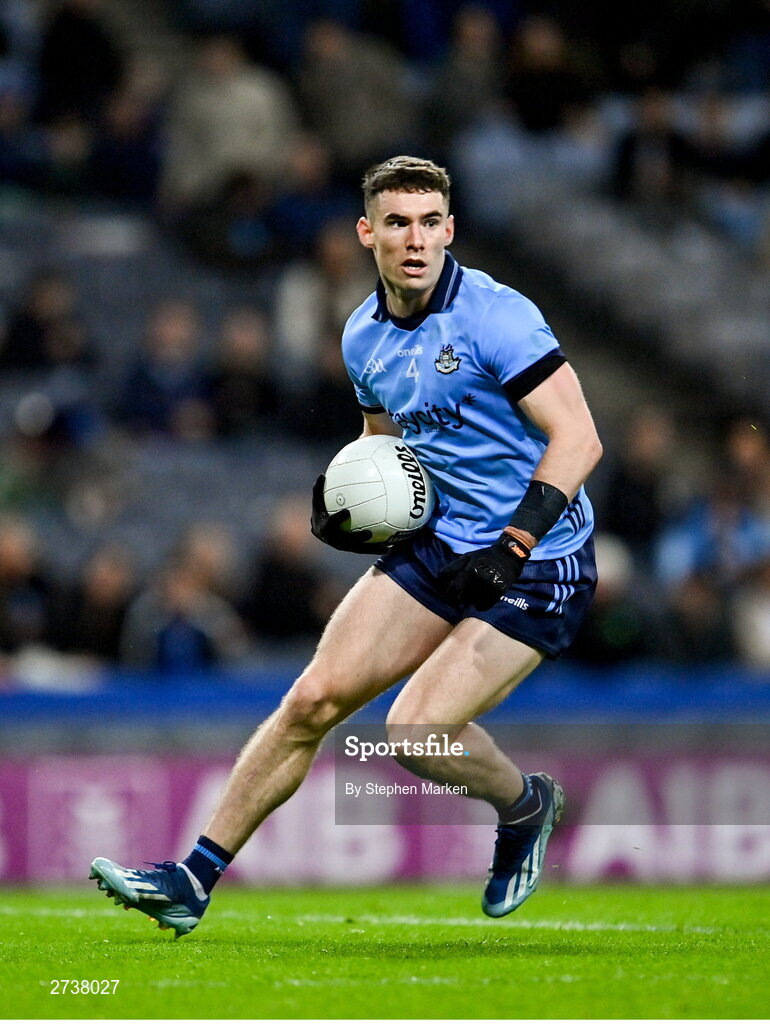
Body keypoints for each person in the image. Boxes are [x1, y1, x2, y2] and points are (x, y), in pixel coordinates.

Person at [89, 155, 602, 936]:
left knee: (415, 734)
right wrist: (349, 500)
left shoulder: (499, 318)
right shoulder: (362, 336)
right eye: (397, 223)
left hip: (539, 560)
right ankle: (191, 879)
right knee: (311, 701)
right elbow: (383, 441)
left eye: (430, 223)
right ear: (367, 233)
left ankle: (525, 805)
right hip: (442, 541)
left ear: (450, 230)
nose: (415, 239)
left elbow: (579, 439)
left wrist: (513, 546)